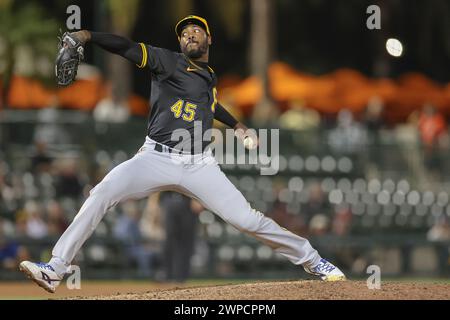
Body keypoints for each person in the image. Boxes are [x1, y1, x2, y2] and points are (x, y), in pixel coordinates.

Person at [19, 15, 345, 293]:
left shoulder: (209, 76)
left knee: (247, 220)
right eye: (184, 32)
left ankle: (314, 260)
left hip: (198, 164)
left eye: (196, 30)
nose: (189, 34)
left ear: (208, 38)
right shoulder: (168, 60)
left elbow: (211, 105)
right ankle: (56, 267)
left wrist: (238, 125)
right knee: (102, 192)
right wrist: (87, 36)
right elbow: (126, 48)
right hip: (155, 157)